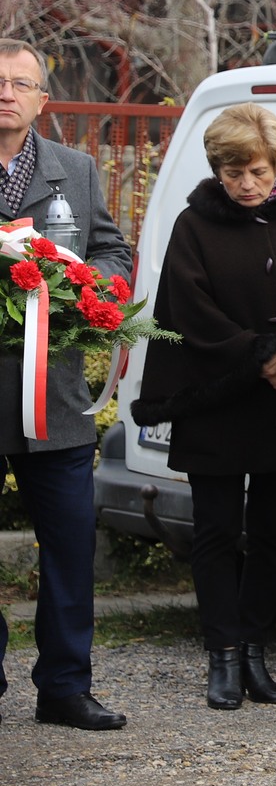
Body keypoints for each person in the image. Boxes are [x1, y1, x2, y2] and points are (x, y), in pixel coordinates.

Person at [132, 105, 276, 710]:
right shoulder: (193, 226)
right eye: (232, 172)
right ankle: (223, 655)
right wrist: (258, 355)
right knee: (218, 531)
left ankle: (254, 649)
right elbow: (187, 305)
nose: (245, 183)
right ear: (217, 170)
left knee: (274, 532)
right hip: (220, 402)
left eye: (255, 170)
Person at [0, 39, 133, 730]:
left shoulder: (75, 169)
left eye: (22, 83)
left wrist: (87, 283)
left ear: (42, 99)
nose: (8, 93)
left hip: (51, 394)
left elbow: (114, 249)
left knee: (72, 539)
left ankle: (65, 684)